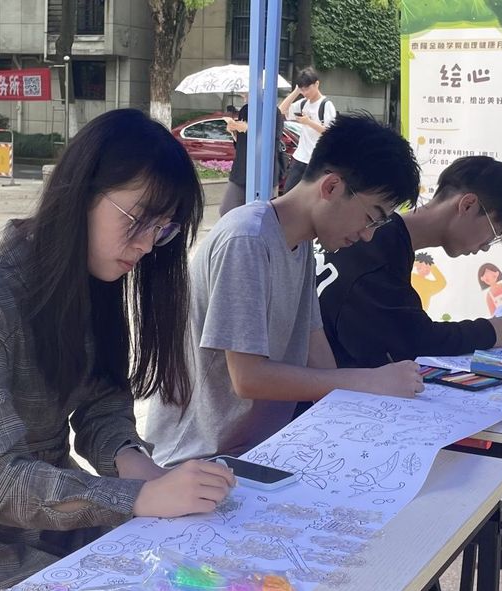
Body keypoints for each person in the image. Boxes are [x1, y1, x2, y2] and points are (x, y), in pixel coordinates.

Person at [0, 109, 235, 591]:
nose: (147, 245)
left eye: (163, 230)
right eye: (140, 220)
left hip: (58, 520)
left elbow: (101, 401)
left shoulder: (92, 277)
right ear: (82, 192)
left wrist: (137, 465)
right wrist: (141, 496)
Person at [145, 112, 424, 467]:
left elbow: (314, 345)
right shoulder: (247, 239)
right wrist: (368, 381)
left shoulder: (300, 242)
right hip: (196, 459)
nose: (368, 235)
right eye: (371, 217)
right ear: (331, 187)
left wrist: (360, 418)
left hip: (256, 454)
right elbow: (248, 378)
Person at [316, 155, 502, 368]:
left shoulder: (387, 237)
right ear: (468, 205)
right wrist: (489, 332)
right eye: (494, 233)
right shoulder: (375, 246)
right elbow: (413, 339)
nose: (485, 247)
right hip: (325, 384)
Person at [220, 94, 286, 216]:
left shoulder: (273, 112)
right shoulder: (245, 110)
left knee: (263, 214)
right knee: (227, 210)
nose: (244, 96)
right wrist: (233, 131)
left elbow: (272, 140)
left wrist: (248, 129)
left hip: (265, 171)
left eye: (247, 93)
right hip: (241, 168)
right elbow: (241, 144)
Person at [278, 67, 337, 192]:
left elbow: (331, 133)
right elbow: (281, 111)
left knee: (313, 196)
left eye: (307, 88)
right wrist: (296, 92)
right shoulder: (303, 103)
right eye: (302, 89)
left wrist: (309, 122)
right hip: (300, 158)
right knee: (289, 192)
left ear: (316, 84)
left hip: (318, 161)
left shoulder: (326, 105)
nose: (305, 93)